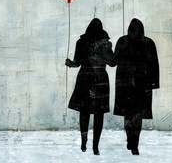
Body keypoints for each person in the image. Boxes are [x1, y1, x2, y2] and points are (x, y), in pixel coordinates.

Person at [65, 18, 113, 155]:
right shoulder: (106, 43)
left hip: (85, 78)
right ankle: (95, 146)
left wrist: (69, 63)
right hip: (100, 80)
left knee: (84, 112)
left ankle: (83, 142)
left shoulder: (81, 42)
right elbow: (112, 63)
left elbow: (76, 62)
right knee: (99, 114)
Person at [111, 18, 159, 155]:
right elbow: (154, 65)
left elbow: (114, 62)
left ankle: (130, 140)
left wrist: (106, 53)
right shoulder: (149, 43)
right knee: (137, 116)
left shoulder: (122, 41)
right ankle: (134, 144)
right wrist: (154, 83)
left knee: (129, 115)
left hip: (125, 85)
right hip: (142, 86)